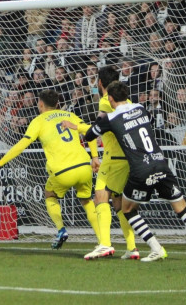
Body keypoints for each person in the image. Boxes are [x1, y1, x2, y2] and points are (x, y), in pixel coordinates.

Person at [62, 81, 186, 262]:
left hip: (140, 169)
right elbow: (149, 122)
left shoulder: (110, 119)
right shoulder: (142, 109)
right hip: (160, 163)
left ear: (110, 99)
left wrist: (85, 125)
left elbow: (89, 136)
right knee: (182, 208)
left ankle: (156, 248)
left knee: (127, 209)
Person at [0, 89, 100, 250]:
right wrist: (95, 157)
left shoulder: (38, 121)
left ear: (40, 104)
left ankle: (61, 230)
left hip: (62, 170)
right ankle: (102, 242)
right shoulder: (69, 115)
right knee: (87, 201)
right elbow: (90, 131)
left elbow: (22, 145)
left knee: (50, 195)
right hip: (84, 166)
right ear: (58, 104)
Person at [76, 66, 138, 260]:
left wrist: (77, 127)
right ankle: (132, 247)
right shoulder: (128, 102)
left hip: (113, 159)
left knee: (100, 198)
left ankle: (105, 244)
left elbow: (100, 126)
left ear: (100, 83)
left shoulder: (105, 100)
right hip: (128, 158)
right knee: (120, 205)